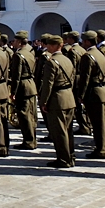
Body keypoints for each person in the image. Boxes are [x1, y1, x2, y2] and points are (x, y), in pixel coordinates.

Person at [39, 35, 76, 168]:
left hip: (57, 99)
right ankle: (71, 155)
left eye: (49, 45)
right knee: (68, 130)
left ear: (55, 46)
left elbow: (48, 84)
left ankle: (63, 159)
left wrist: (43, 102)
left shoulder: (51, 62)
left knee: (59, 131)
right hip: (69, 97)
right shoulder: (67, 60)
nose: (47, 47)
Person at [76, 30, 105, 159]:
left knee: (98, 124)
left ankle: (101, 149)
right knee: (104, 123)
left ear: (87, 41)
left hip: (94, 93)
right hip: (103, 91)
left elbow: (85, 78)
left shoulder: (88, 56)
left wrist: (81, 95)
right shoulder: (100, 53)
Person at [9, 30, 37, 150]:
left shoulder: (18, 55)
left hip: (23, 86)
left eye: (15, 41)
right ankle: (32, 139)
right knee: (31, 114)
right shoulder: (30, 52)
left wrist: (13, 92)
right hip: (31, 84)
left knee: (24, 115)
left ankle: (28, 141)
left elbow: (16, 75)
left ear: (20, 42)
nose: (13, 43)